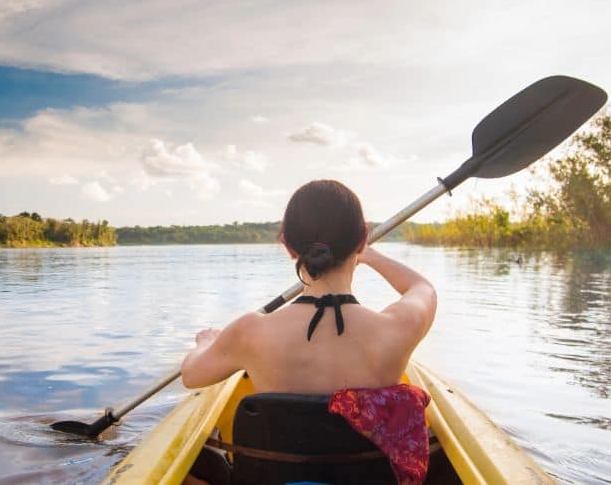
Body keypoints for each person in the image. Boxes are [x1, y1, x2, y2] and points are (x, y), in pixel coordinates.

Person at [181, 179, 437, 484]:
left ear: (288, 246)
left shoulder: (251, 332)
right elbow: (423, 288)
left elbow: (191, 376)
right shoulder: (396, 329)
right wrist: (370, 255)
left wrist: (206, 342)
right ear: (362, 238)